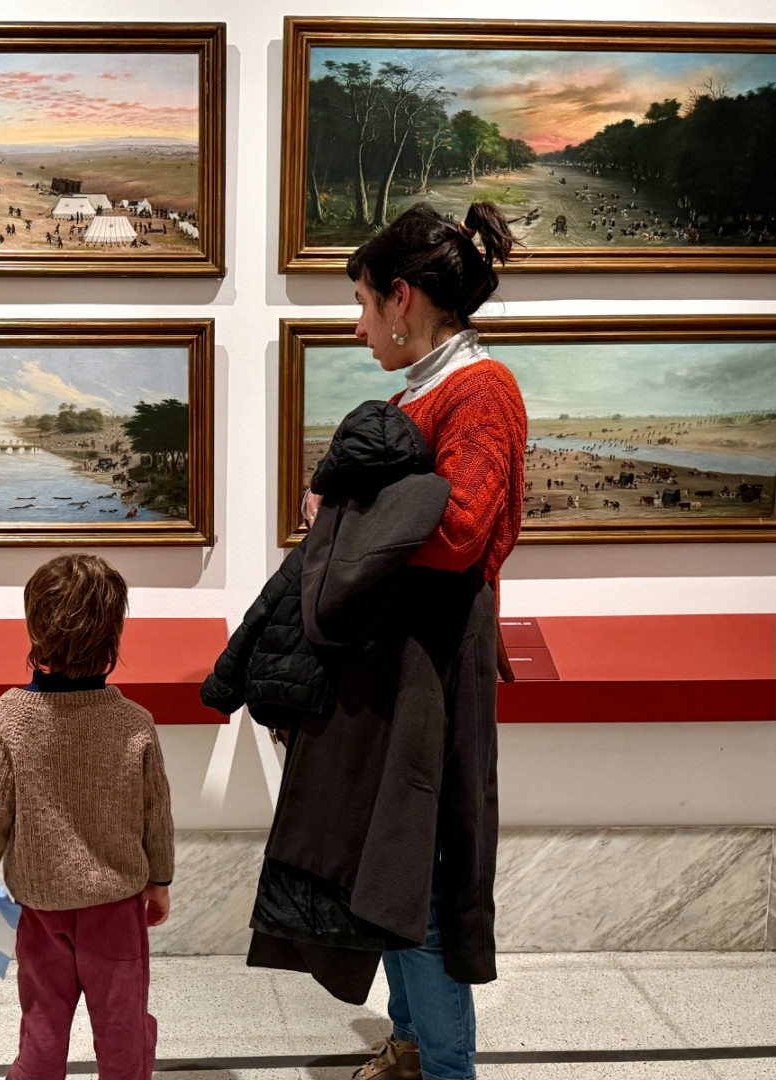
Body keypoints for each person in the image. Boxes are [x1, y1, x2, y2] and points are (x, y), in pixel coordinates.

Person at [331, 203, 526, 1080]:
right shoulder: (427, 389)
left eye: (368, 305)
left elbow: (455, 533)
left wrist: (341, 510)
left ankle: (446, 1070)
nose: (360, 324)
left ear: (403, 298)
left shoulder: (478, 391)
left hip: (438, 655)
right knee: (397, 865)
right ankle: (411, 1048)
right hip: (408, 652)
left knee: (426, 875)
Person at [0, 554, 175, 1080]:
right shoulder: (134, 722)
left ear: (34, 628)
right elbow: (157, 814)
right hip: (116, 910)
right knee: (122, 1031)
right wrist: (160, 880)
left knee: (42, 1026)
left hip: (39, 909)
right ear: (114, 637)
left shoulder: (12, 716)